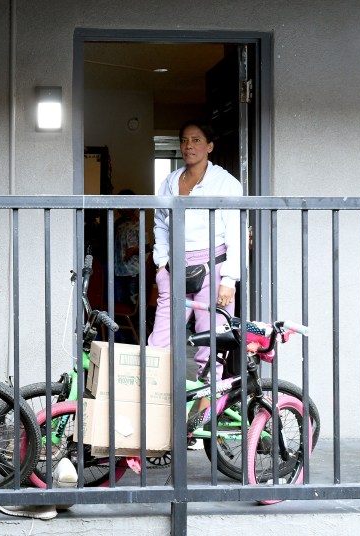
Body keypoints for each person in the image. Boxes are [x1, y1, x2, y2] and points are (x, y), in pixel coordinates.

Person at [146, 121, 242, 429]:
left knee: (209, 344)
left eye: (196, 140)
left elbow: (236, 232)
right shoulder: (170, 181)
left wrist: (230, 279)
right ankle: (155, 415)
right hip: (174, 269)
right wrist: (161, 262)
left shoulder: (225, 183)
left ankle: (201, 418)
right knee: (159, 343)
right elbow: (160, 222)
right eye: (184, 140)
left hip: (213, 267)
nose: (189, 145)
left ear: (209, 146)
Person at [112, 190, 141, 342]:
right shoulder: (118, 223)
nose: (120, 208)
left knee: (132, 303)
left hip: (132, 271)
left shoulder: (138, 222)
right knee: (120, 303)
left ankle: (133, 338)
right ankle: (122, 337)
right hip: (118, 269)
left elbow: (147, 246)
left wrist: (134, 250)